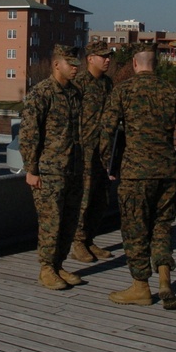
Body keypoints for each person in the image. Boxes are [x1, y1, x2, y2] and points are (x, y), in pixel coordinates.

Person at [99, 44, 176, 309]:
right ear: (157, 64)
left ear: (134, 63)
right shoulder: (172, 92)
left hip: (135, 173)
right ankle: (165, 278)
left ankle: (141, 287)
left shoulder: (123, 91)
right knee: (162, 226)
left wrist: (108, 165)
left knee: (135, 230)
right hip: (167, 170)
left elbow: (106, 131)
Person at [19, 45, 85, 290]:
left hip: (73, 168)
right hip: (49, 170)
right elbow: (29, 134)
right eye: (71, 63)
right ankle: (46, 269)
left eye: (77, 63)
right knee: (51, 221)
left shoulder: (75, 93)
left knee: (69, 219)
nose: (76, 67)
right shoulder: (41, 93)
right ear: (57, 64)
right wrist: (31, 169)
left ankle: (58, 265)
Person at [70, 39, 115, 264]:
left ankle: (89, 239)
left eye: (109, 57)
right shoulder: (79, 83)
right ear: (90, 59)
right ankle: (77, 241)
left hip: (103, 152)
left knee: (101, 198)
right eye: (103, 56)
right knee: (84, 198)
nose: (107, 60)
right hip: (84, 151)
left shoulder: (107, 84)